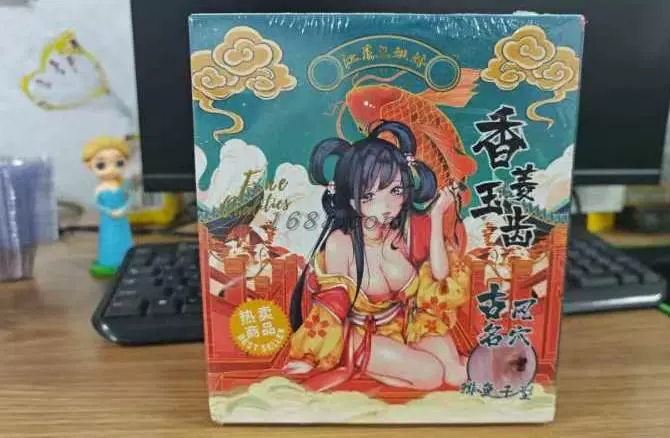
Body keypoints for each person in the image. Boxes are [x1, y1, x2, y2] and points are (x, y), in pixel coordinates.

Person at [285, 121, 473, 392]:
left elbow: (441, 278)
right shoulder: (341, 243)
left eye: (395, 191)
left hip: (408, 323)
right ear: (352, 200)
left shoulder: (408, 230)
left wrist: (435, 218)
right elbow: (332, 306)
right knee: (431, 375)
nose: (386, 206)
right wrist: (308, 356)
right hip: (359, 334)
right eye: (370, 196)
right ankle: (358, 364)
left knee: (455, 374)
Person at [82, 136, 133, 277]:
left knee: (123, 239)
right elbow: (98, 204)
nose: (111, 170)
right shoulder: (100, 188)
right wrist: (110, 212)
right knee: (109, 240)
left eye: (119, 163)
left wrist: (124, 209)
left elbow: (130, 198)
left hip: (122, 218)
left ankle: (126, 260)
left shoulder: (123, 184)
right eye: (102, 165)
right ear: (89, 165)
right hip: (109, 219)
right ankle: (109, 261)